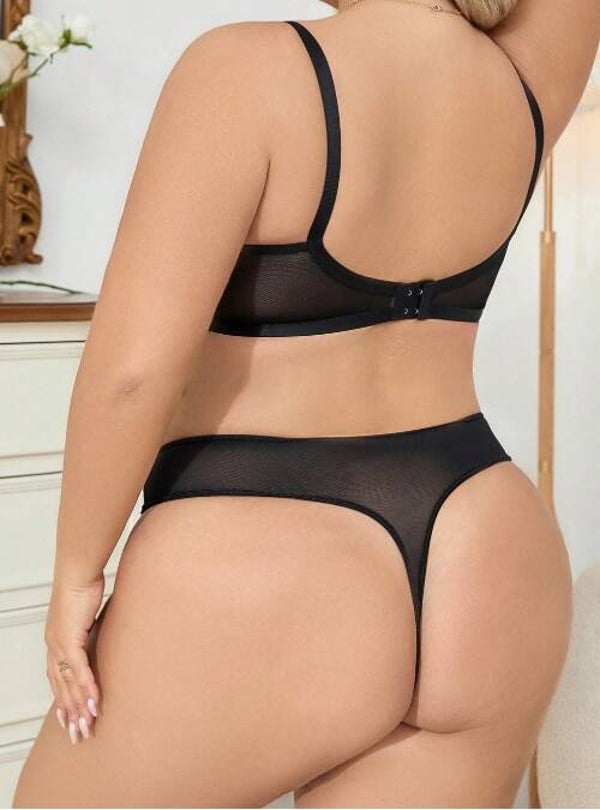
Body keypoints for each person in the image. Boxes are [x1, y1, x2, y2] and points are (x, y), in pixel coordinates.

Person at [12, 0, 599, 807]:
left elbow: (133, 374)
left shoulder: (243, 69)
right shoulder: (524, 77)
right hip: (489, 556)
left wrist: (76, 577)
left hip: (272, 560)